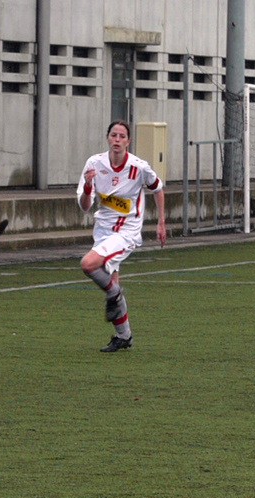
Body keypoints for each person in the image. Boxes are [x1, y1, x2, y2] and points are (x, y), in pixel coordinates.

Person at [76, 120, 166, 352]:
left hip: (126, 231)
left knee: (88, 264)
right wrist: (87, 187)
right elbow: (85, 207)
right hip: (103, 230)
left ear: (128, 141)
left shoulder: (139, 166)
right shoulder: (94, 163)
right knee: (111, 284)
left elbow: (157, 188)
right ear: (108, 138)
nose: (117, 139)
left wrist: (161, 223)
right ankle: (123, 337)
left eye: (121, 136)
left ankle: (115, 295)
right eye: (113, 135)